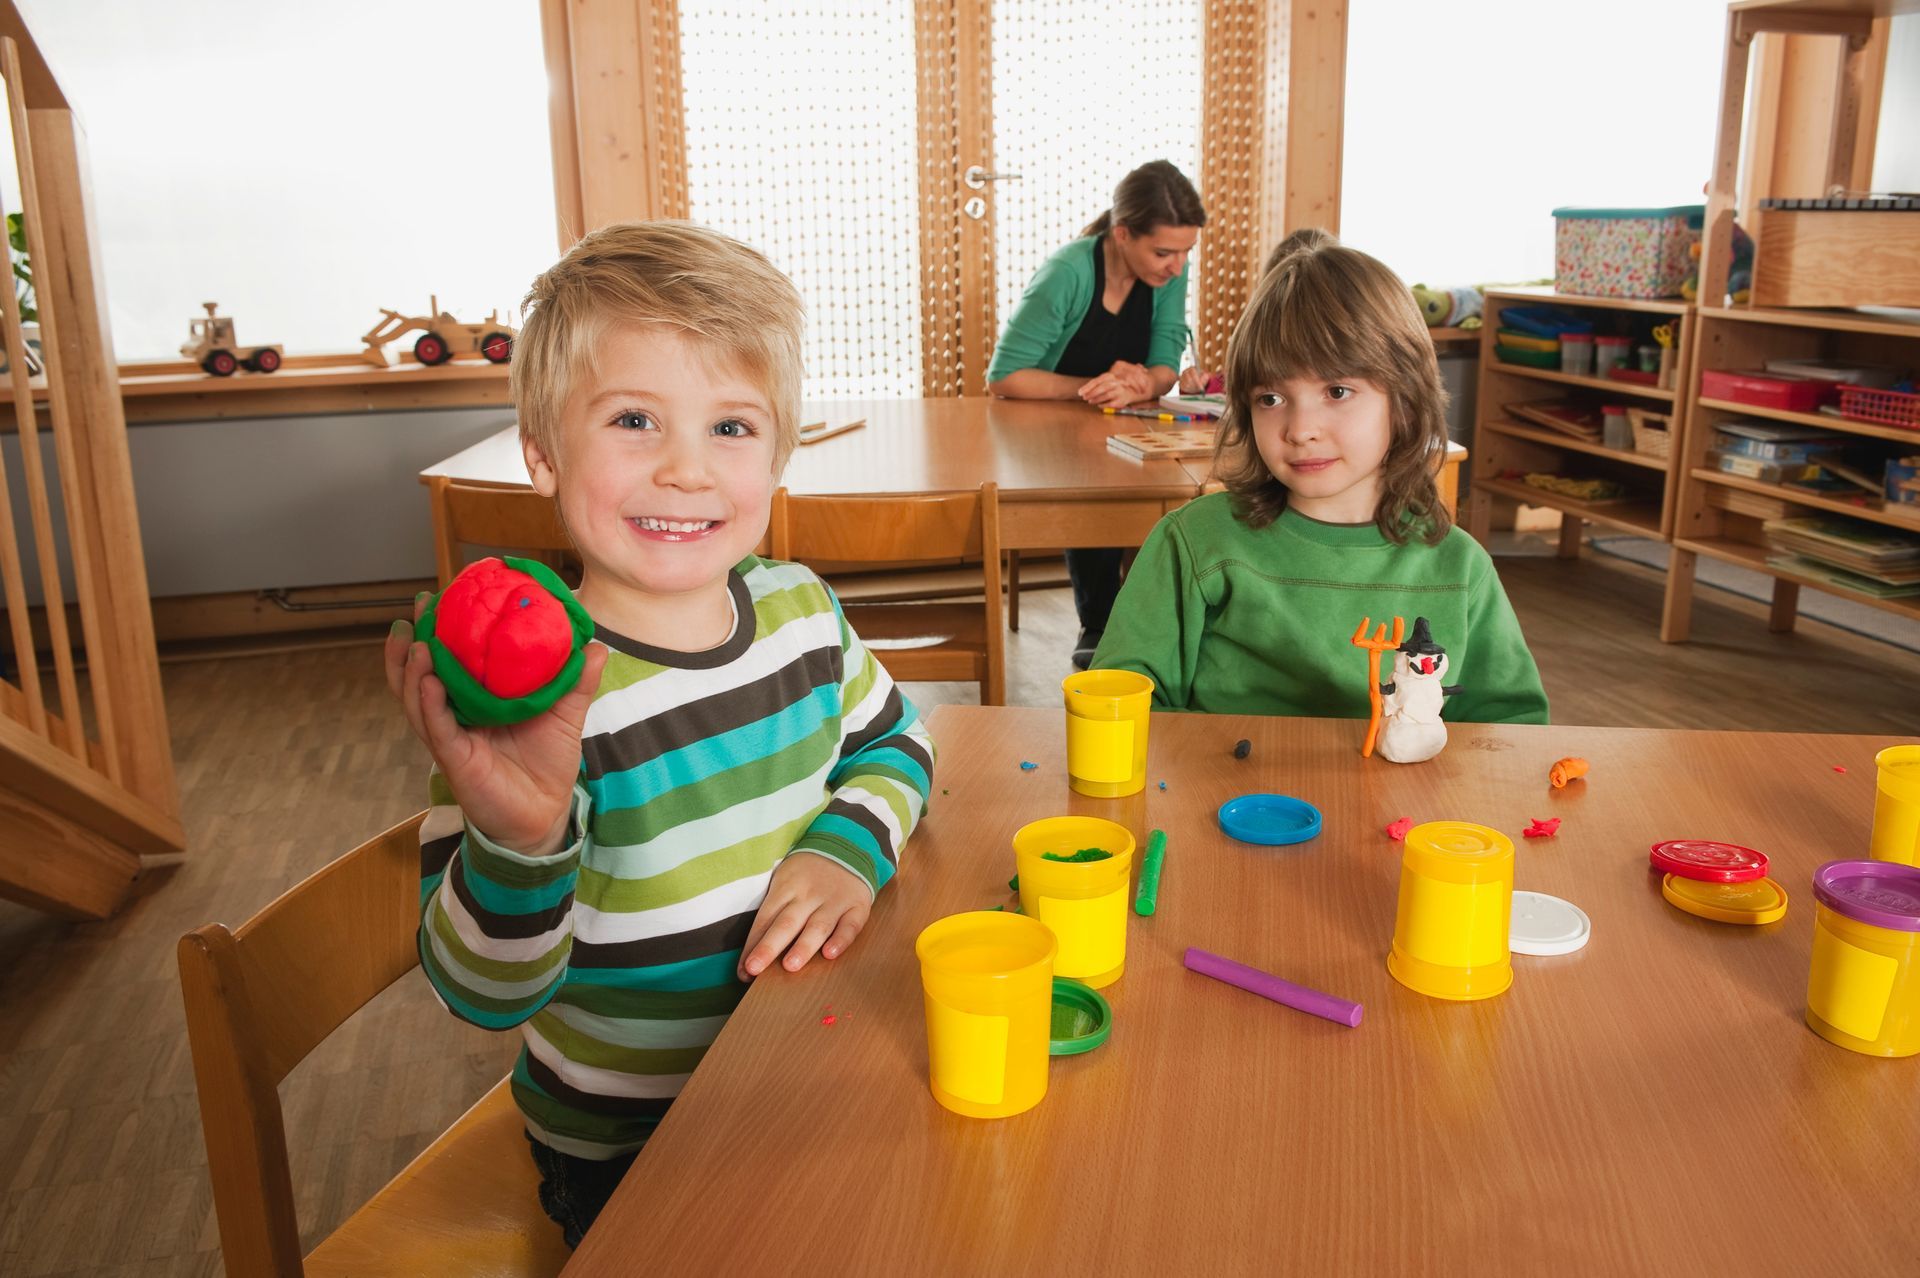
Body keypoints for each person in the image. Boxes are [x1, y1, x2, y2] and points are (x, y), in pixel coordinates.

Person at [385, 221, 935, 1248]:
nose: (688, 470)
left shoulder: (802, 614)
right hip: (633, 1148)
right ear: (543, 455)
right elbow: (480, 994)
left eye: (732, 427)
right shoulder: (528, 710)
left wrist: (844, 850)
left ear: (780, 456)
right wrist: (519, 839)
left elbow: (899, 745)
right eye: (637, 419)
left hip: (810, 1077)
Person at [1091, 228, 1548, 724]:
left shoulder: (1461, 569)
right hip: (1224, 800)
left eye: (1337, 391)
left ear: (1405, 401)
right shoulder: (1195, 543)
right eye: (1271, 399)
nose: (1301, 430)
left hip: (1405, 804)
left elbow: (1513, 732)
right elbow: (1123, 704)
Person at [985, 159, 1205, 670]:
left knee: (1176, 490)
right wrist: (1094, 390)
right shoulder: (1067, 272)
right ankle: (1100, 622)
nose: (1176, 267)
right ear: (1123, 233)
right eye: (1164, 252)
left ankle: (1157, 623)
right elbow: (1004, 377)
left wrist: (1141, 383)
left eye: (1186, 252)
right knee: (1097, 478)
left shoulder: (1168, 270)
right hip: (1045, 426)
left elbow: (1165, 362)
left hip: (1123, 421)